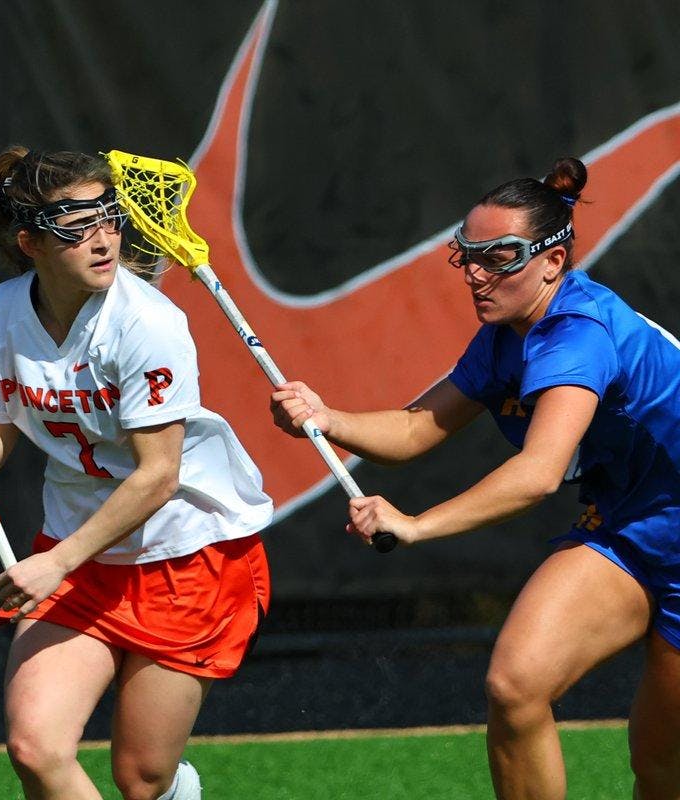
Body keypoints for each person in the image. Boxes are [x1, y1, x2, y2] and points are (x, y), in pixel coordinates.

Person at [270, 157, 680, 799]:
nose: (478, 275)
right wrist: (326, 418)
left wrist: (416, 525)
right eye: (468, 257)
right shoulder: (503, 337)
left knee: (663, 768)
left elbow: (538, 475)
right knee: (515, 689)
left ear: (553, 260)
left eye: (501, 257)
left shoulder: (579, 334)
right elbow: (413, 432)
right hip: (628, 527)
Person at [0, 147, 272, 800]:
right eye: (75, 223)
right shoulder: (2, 314)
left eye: (109, 217)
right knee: (35, 748)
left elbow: (158, 478)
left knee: (141, 779)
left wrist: (56, 561)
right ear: (30, 241)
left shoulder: (147, 324)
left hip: (187, 555)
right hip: (83, 558)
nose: (103, 239)